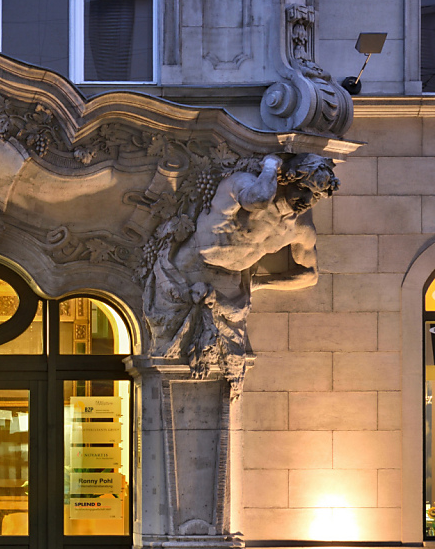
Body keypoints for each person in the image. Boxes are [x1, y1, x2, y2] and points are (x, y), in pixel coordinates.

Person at [143, 153, 338, 393]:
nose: (307, 200)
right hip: (185, 274)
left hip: (229, 288)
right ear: (287, 179)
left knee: (224, 370)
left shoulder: (300, 226)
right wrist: (269, 166)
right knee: (165, 359)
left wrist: (258, 283)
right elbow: (257, 199)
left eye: (316, 196)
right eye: (304, 189)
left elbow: (310, 275)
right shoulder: (241, 183)